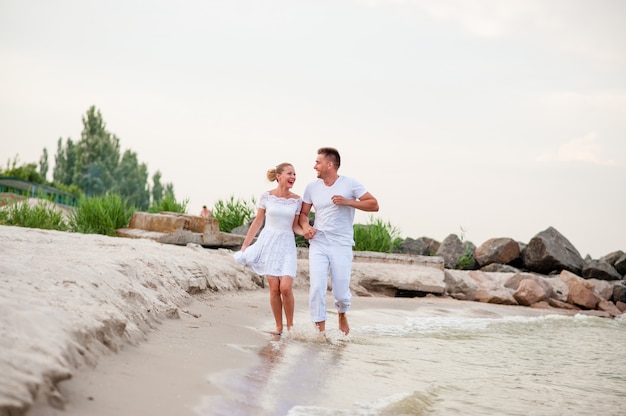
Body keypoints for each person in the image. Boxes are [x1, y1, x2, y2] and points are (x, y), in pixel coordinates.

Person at [299, 147, 379, 335]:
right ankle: (320, 332)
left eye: (317, 162)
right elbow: (303, 214)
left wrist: (348, 202)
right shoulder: (312, 187)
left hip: (341, 244)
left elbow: (374, 204)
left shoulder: (350, 184)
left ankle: (342, 313)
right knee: (317, 287)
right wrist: (305, 228)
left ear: (330, 164)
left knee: (341, 293)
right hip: (319, 243)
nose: (314, 166)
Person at [233, 163, 304, 335]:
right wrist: (245, 245)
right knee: (274, 288)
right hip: (269, 243)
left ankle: (291, 327)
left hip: (286, 244)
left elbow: (295, 226)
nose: (293, 177)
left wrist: (306, 232)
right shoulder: (266, 197)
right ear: (279, 176)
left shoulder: (297, 200)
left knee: (285, 288)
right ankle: (279, 327)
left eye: (294, 174)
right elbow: (258, 222)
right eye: (289, 173)